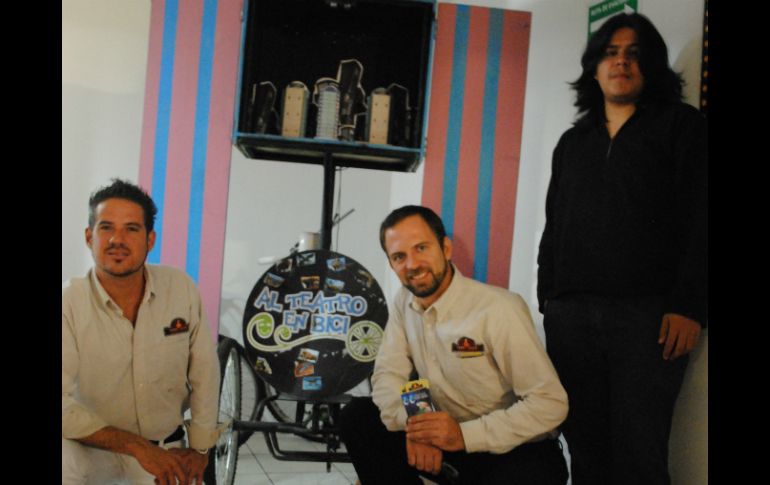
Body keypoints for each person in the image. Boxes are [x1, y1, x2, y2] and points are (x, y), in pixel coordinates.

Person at [536, 13, 707, 485]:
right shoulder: (573, 143)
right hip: (571, 319)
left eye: (634, 54)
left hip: (649, 321)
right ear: (594, 67)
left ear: (651, 66)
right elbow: (554, 226)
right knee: (585, 451)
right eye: (610, 53)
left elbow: (701, 220)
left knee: (640, 455)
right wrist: (548, 300)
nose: (621, 63)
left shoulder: (683, 128)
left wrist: (689, 306)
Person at [340, 205, 569, 485]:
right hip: (445, 443)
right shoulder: (404, 301)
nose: (412, 265)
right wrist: (418, 427)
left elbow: (549, 404)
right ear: (391, 264)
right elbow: (389, 373)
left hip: (511, 449)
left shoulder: (499, 308)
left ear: (445, 249)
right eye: (399, 256)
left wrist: (463, 436)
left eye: (421, 248)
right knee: (358, 418)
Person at [62, 179, 220, 485]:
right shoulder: (69, 302)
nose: (117, 240)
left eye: (131, 229)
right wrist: (135, 447)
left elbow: (205, 372)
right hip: (92, 451)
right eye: (106, 227)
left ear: (150, 240)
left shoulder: (180, 289)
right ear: (89, 237)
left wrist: (201, 449)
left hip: (164, 450)